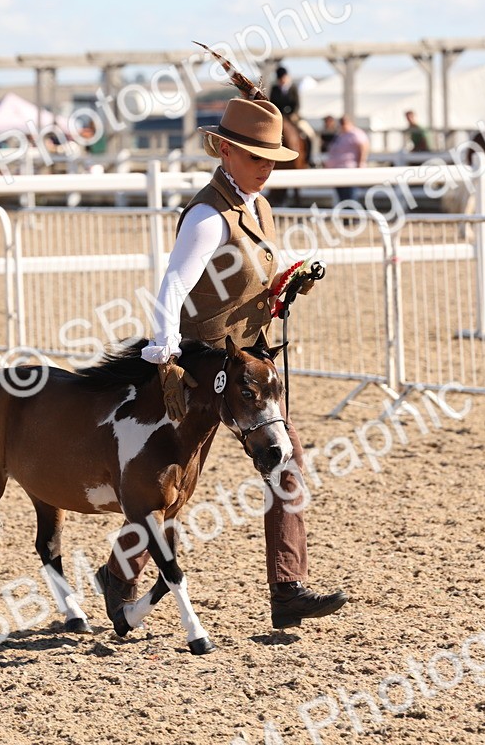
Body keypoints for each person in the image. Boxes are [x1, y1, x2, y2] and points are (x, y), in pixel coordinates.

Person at [95, 96, 348, 631]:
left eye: (272, 158)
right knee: (170, 480)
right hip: (202, 366)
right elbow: (173, 288)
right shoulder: (208, 216)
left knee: (282, 455)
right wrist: (165, 356)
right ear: (226, 152)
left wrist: (284, 288)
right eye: (257, 157)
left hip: (246, 363)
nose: (267, 167)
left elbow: (242, 284)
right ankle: (118, 575)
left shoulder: (259, 208)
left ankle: (287, 588)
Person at [270, 66, 319, 162]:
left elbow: (297, 104)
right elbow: (272, 104)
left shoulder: (293, 88)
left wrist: (293, 114)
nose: (282, 80)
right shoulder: (274, 89)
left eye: (283, 78)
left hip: (293, 117)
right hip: (279, 118)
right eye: (280, 79)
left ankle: (310, 159)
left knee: (309, 133)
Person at [323, 116, 370, 203]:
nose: (343, 125)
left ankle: (352, 211)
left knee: (350, 197)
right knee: (342, 198)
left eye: (344, 123)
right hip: (337, 171)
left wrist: (361, 163)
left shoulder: (355, 133)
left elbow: (363, 146)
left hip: (349, 170)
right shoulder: (340, 135)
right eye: (341, 123)